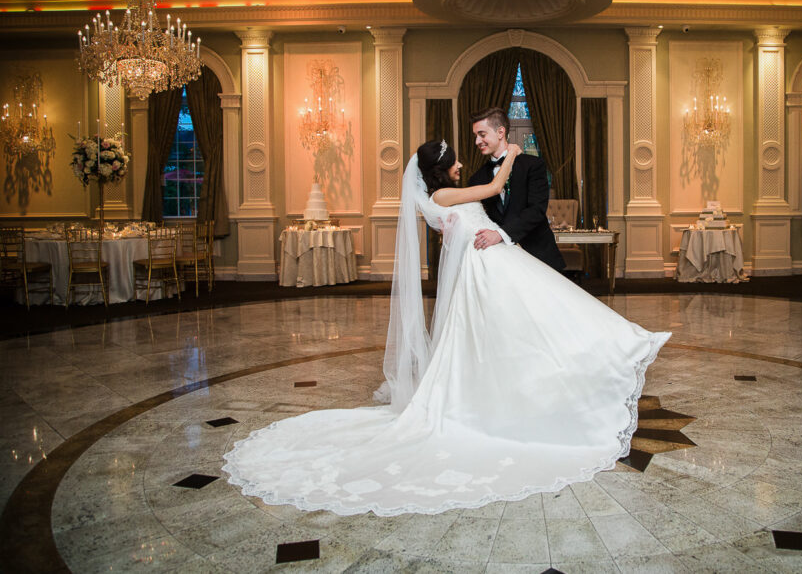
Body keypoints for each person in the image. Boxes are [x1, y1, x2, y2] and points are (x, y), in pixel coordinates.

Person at [223, 139, 669, 516]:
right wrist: (513, 151)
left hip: (489, 259)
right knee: (535, 318)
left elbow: (475, 210)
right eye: (454, 160)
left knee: (534, 319)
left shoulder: (441, 200)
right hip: (485, 265)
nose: (460, 163)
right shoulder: (440, 198)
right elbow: (495, 185)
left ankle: (556, 379)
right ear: (440, 171)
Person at [468, 106, 565, 271]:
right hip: (501, 264)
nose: (477, 141)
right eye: (475, 136)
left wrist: (500, 234)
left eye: (482, 135)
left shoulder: (533, 165)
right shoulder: (476, 179)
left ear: (500, 132)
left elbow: (536, 211)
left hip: (539, 256)